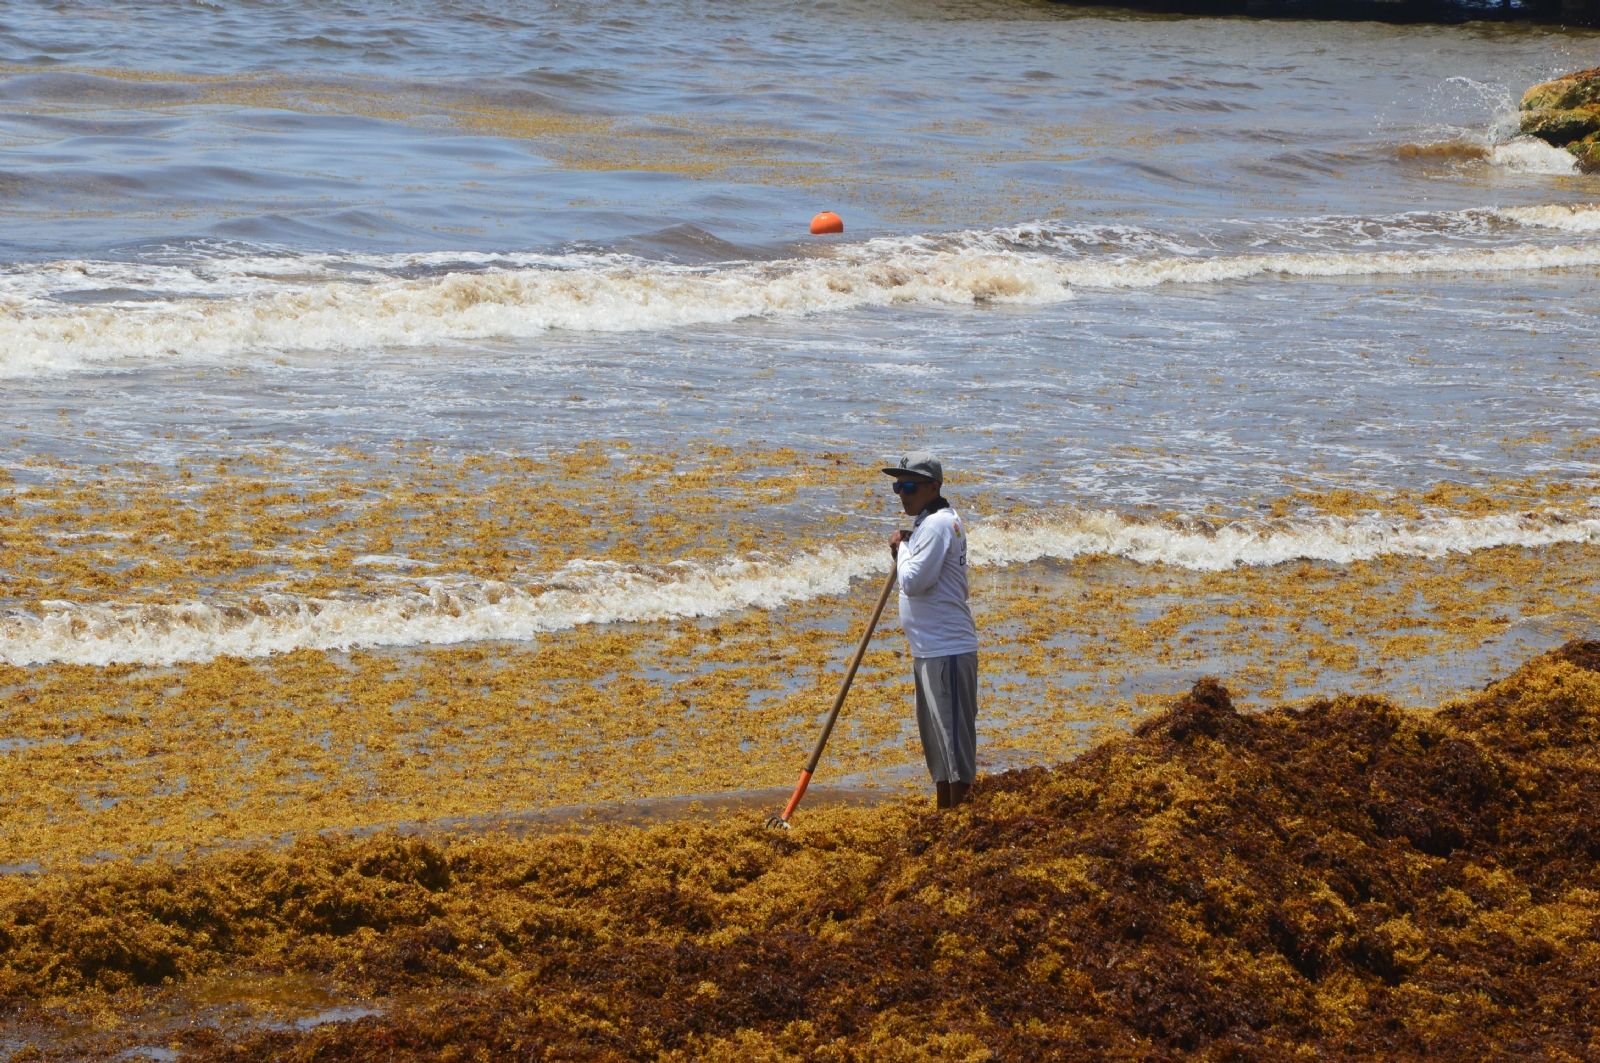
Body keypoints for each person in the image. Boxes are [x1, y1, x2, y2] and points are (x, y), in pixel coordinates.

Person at [884, 452, 979, 810]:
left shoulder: (938, 525)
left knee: (954, 746)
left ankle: (961, 820)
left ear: (934, 487)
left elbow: (912, 581)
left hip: (947, 651)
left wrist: (902, 546)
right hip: (929, 651)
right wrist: (909, 542)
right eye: (897, 486)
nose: (902, 494)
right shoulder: (931, 523)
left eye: (909, 486)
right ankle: (946, 816)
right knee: (938, 747)